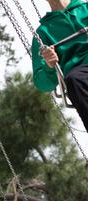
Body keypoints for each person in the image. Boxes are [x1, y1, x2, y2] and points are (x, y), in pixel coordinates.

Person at [32, 0, 88, 132]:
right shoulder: (43, 33)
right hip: (80, 76)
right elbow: (42, 83)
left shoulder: (85, 9)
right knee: (74, 79)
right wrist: (49, 65)